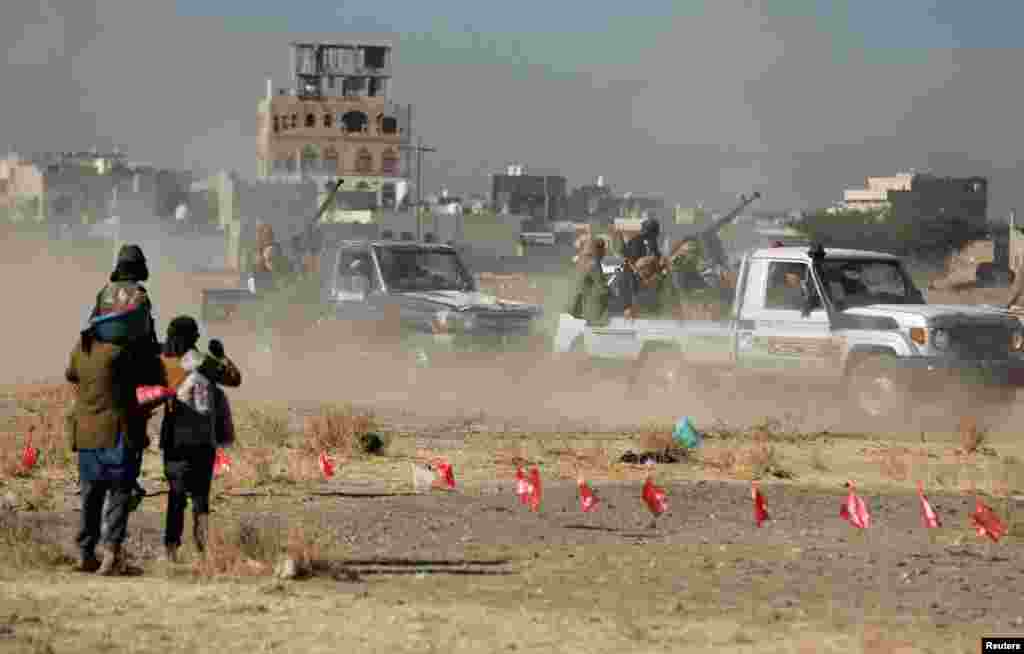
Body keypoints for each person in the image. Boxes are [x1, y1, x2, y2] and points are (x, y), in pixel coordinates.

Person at [66, 312, 162, 575]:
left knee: (91, 496)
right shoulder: (122, 353)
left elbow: (72, 375)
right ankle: (111, 555)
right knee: (120, 493)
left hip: (86, 435)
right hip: (117, 435)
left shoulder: (81, 348)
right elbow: (150, 379)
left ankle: (86, 553)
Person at [158, 316, 242, 562]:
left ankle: (171, 549)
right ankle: (203, 550)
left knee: (175, 495)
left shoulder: (163, 363)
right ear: (194, 337)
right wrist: (222, 356)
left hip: (175, 440)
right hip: (203, 441)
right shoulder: (203, 361)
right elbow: (234, 379)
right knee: (201, 498)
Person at [567, 236, 610, 326]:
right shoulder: (593, 263)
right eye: (604, 250)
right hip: (585, 309)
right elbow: (602, 288)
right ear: (600, 250)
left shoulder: (582, 260)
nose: (605, 253)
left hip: (574, 305)